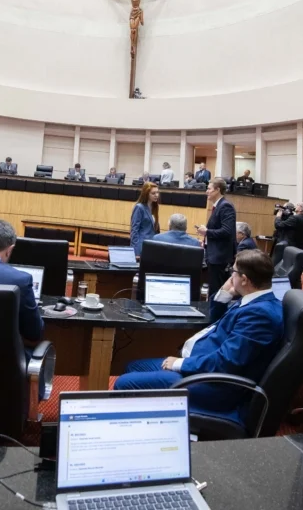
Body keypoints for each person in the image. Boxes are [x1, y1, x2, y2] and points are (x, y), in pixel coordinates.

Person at [113, 250, 283, 421]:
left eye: (233, 271)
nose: (231, 276)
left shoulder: (260, 315)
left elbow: (226, 362)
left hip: (212, 385)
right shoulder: (255, 300)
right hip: (200, 366)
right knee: (133, 366)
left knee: (124, 384)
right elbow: (218, 322)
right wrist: (225, 294)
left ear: (244, 279)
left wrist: (180, 364)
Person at [197, 178, 237, 297]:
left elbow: (227, 231)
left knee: (216, 292)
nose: (206, 191)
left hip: (219, 257)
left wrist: (207, 232)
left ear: (217, 190)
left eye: (209, 189)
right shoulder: (218, 206)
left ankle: (215, 309)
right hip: (214, 255)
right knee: (213, 290)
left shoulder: (225, 206)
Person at [130, 182, 159, 256]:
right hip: (141, 246)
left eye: (157, 192)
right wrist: (135, 251)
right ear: (146, 194)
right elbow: (134, 230)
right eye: (153, 193)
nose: (156, 195)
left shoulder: (154, 207)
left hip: (152, 246)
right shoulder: (139, 208)